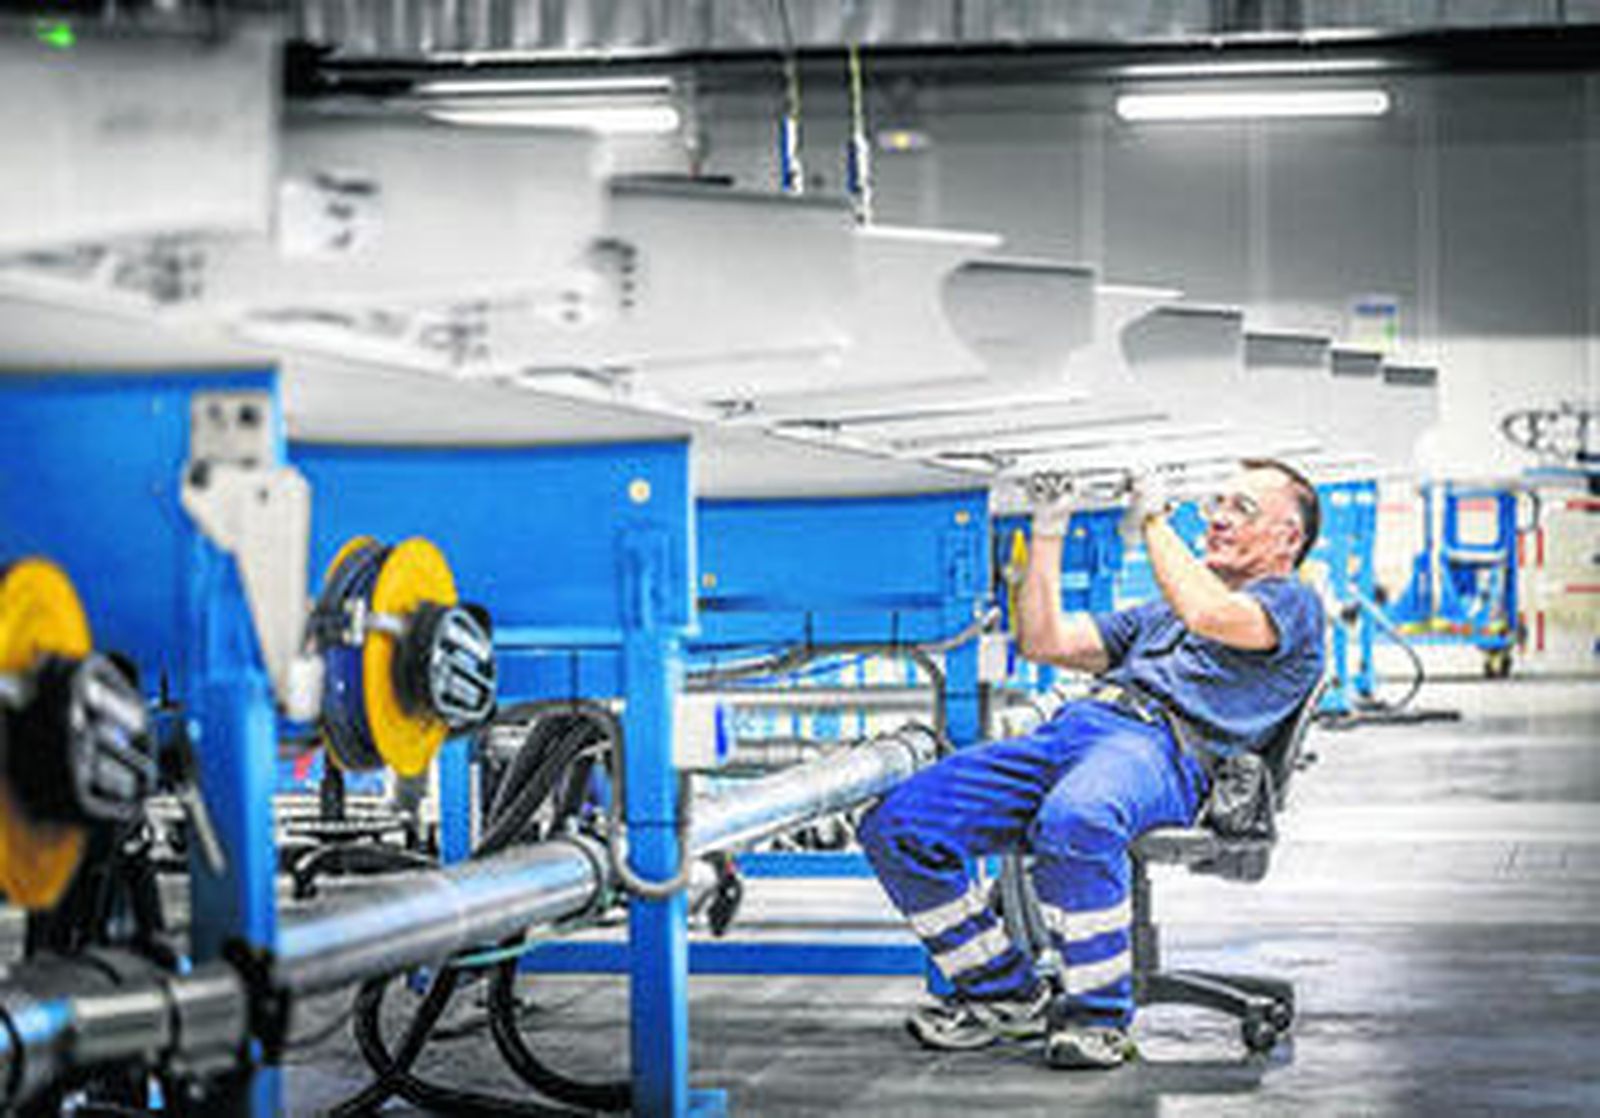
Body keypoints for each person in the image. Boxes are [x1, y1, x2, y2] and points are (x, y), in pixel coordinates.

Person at [857, 458, 1326, 1069]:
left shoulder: (1293, 604)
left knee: (1079, 821)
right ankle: (1006, 996)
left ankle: (1098, 1018)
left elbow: (1210, 615)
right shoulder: (1162, 615)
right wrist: (1049, 529)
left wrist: (1154, 517)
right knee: (898, 826)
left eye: (1242, 508)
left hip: (1162, 749)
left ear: (1288, 537)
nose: (1217, 518)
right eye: (1217, 504)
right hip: (1071, 734)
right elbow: (1045, 641)